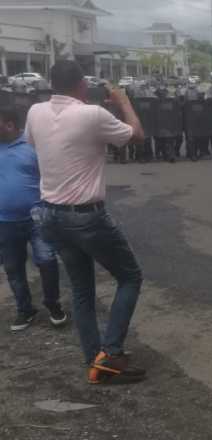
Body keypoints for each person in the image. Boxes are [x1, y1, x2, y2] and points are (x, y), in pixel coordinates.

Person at [25, 60, 147, 384]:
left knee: (82, 289)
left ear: (52, 83)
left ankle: (94, 358)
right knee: (130, 276)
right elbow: (137, 135)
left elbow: (35, 144)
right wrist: (124, 103)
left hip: (50, 213)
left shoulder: (35, 112)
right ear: (81, 85)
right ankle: (111, 353)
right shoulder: (92, 114)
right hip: (85, 215)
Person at [0, 107, 67, 332]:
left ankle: (52, 304)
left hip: (36, 217)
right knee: (13, 267)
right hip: (5, 221)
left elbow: (51, 178)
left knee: (47, 261)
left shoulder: (31, 147)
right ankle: (25, 309)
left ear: (9, 124)